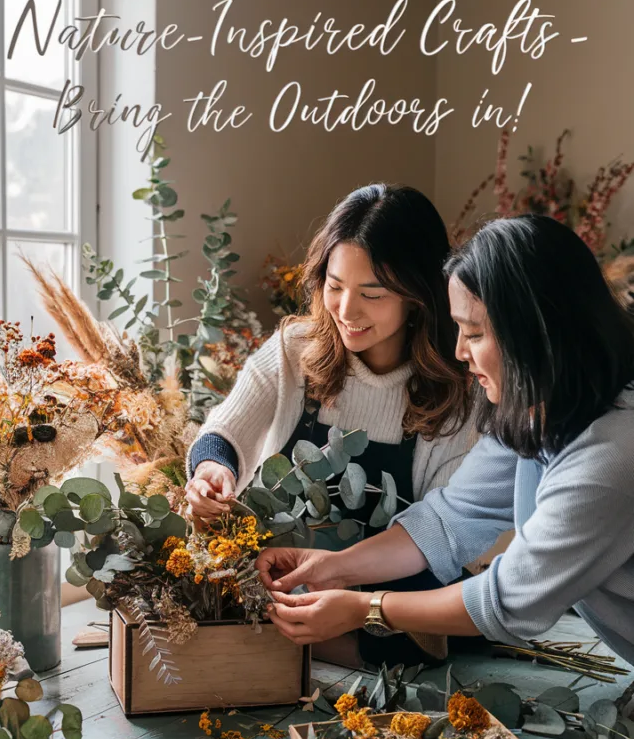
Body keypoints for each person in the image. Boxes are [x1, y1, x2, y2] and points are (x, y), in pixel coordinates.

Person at [257, 214, 634, 669]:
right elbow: (451, 517)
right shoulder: (537, 409)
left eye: (474, 333)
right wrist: (332, 567)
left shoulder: (610, 459)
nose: (459, 351)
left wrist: (366, 609)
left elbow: (510, 601)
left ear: (537, 334)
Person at [184, 183, 476, 666]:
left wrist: (346, 593)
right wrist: (213, 471)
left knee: (431, 607)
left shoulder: (456, 397)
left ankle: (295, 645)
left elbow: (438, 535)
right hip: (272, 574)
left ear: (418, 296)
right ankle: (283, 636)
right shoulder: (296, 349)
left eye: (372, 294)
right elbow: (224, 431)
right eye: (335, 286)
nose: (346, 311)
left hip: (370, 602)